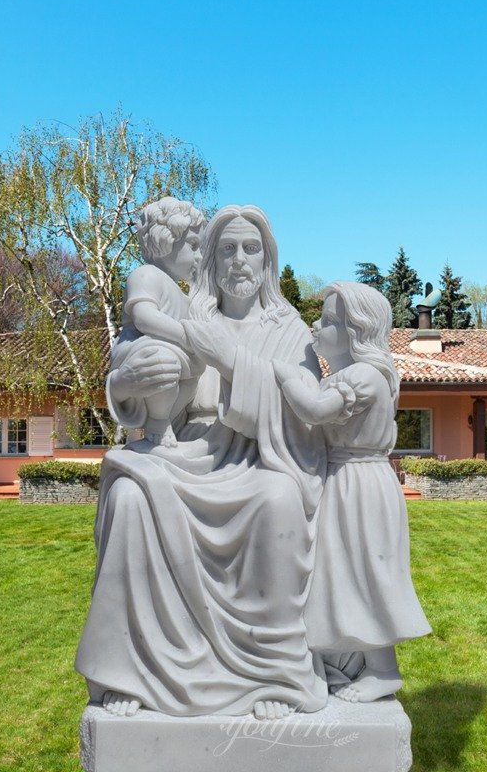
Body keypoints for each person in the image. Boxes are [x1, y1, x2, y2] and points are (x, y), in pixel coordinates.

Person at [76, 204, 328, 721]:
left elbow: (306, 419)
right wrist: (125, 384)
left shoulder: (291, 330)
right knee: (129, 496)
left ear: (268, 261)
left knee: (278, 501)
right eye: (226, 249)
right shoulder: (186, 314)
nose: (239, 261)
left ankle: (273, 669)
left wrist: (232, 360)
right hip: (186, 448)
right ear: (209, 258)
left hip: (261, 456)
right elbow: (133, 373)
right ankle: (134, 667)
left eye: (250, 249)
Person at [273, 281, 431, 703]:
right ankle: (345, 660)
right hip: (343, 480)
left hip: (361, 484)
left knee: (366, 573)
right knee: (336, 572)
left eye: (325, 321)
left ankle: (383, 670)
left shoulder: (364, 375)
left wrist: (287, 376)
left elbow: (316, 410)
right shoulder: (346, 374)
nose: (315, 325)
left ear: (355, 331)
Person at [117, 197, 206, 449]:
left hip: (175, 352)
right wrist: (185, 335)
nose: (199, 256)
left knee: (193, 369)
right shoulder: (146, 275)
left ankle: (165, 418)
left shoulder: (184, 294)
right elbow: (144, 317)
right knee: (162, 361)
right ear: (165, 240)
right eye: (193, 245)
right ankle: (157, 422)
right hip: (141, 349)